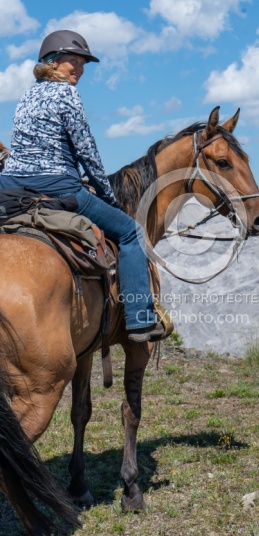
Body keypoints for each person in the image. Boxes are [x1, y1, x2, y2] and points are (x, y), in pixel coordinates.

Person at [0, 29, 165, 343]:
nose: (80, 68)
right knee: (131, 233)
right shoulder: (67, 94)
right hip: (58, 187)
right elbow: (86, 150)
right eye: (72, 61)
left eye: (83, 63)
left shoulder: (27, 95)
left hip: (9, 187)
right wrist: (108, 195)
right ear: (52, 61)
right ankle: (140, 319)